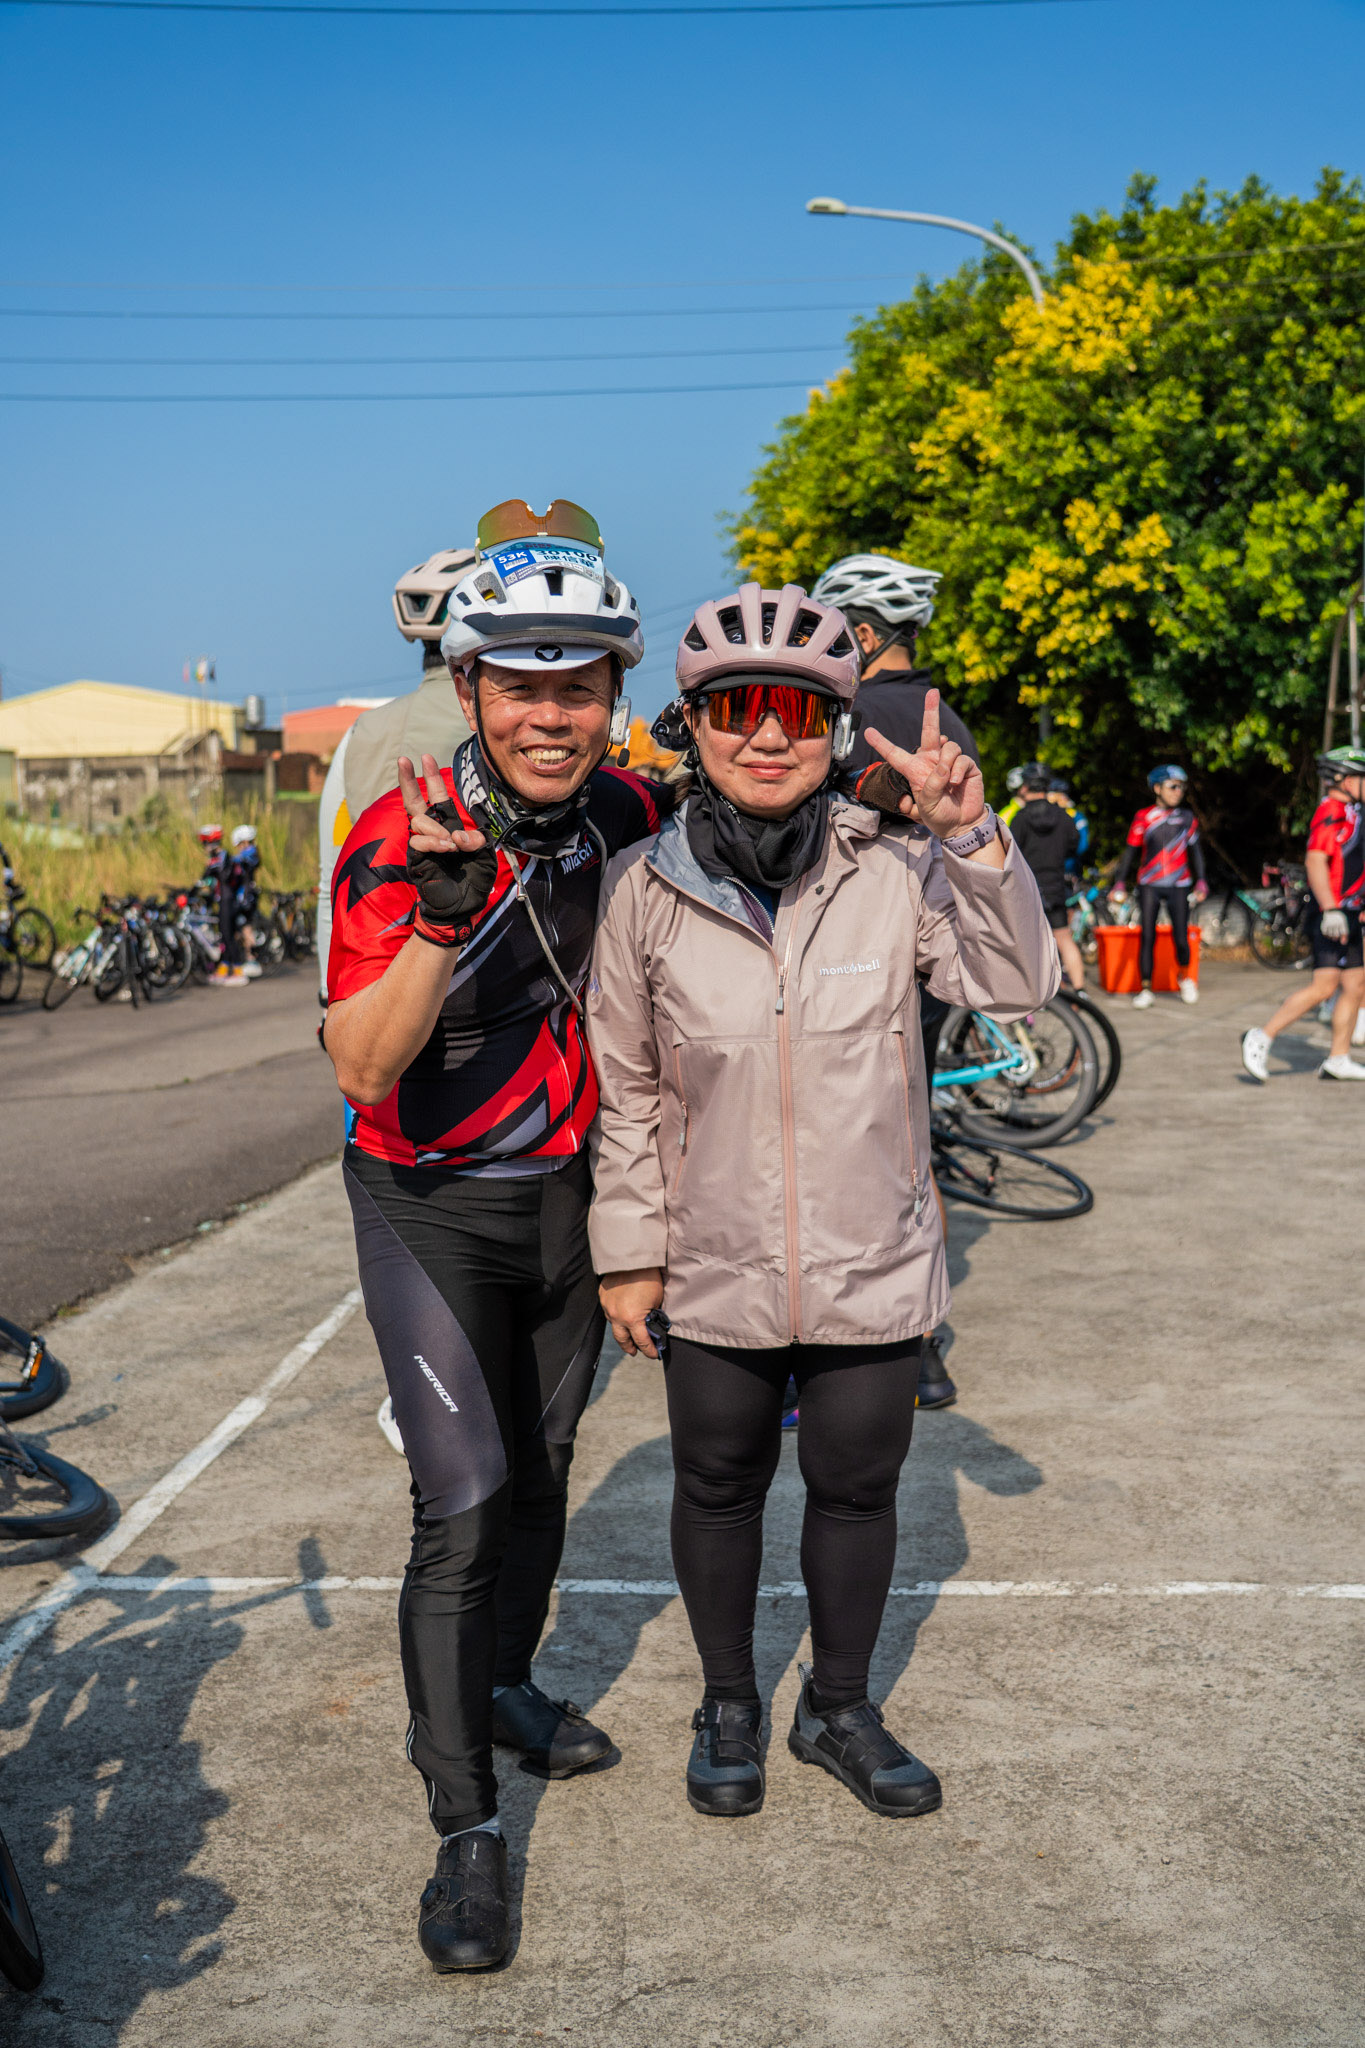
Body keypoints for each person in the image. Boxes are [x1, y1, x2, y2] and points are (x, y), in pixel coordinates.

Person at [587, 582, 1057, 1825]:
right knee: (717, 1485)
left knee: (858, 1487)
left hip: (871, 1258)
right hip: (714, 1262)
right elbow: (625, 1092)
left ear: (837, 728)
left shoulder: (898, 868)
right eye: (735, 707)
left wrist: (973, 833)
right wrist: (628, 1251)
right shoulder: (640, 889)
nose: (765, 733)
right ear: (690, 726)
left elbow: (1019, 986)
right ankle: (729, 1702)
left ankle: (839, 1706)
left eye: (795, 710)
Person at [321, 498, 668, 1973]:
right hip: (429, 1199)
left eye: (578, 684)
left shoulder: (629, 812)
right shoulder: (401, 831)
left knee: (541, 1474)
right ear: (468, 686)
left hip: (567, 1195)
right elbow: (360, 1067)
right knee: (461, 1503)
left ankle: (508, 1686)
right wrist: (433, 923)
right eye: (520, 684)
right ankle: (464, 1826)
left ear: (613, 695)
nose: (550, 713)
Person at [810, 551, 974, 1411]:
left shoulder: (852, 713)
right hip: (934, 950)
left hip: (853, 950)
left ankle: (844, 1345)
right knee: (908, 1141)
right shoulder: (949, 718)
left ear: (866, 633)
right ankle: (922, 1346)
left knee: (833, 1147)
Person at [317, 545, 478, 999]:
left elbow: (332, 881)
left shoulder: (361, 731)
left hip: (373, 980)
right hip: (472, 973)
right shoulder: (501, 727)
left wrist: (330, 1001)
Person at [1241, 746, 1365, 1083]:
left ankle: (1338, 1058)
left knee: (1355, 984)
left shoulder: (1354, 813)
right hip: (1331, 913)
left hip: (1350, 911)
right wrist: (1331, 909)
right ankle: (1261, 1036)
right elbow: (1315, 861)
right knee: (1324, 987)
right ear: (1346, 780)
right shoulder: (1331, 811)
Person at [1110, 765, 1208, 1008]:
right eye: (1172, 786)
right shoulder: (1144, 817)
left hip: (1179, 884)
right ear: (1157, 788)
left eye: (1181, 787)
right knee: (1147, 936)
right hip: (1149, 885)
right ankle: (1146, 988)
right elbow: (1130, 852)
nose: (1178, 791)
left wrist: (1202, 880)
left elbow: (1196, 852)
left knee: (1181, 937)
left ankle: (1186, 978)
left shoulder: (1187, 817)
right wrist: (1119, 882)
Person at [1007, 765, 1085, 991]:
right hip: (1056, 885)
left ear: (1024, 787)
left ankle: (1041, 992)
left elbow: (1010, 852)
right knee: (1064, 937)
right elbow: (1075, 846)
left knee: (1029, 943)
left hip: (1027, 887)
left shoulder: (1020, 818)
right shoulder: (1063, 816)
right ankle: (1080, 991)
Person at [198, 824, 246, 988]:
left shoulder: (223, 857)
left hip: (228, 900)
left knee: (228, 935)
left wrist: (212, 867)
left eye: (205, 843)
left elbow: (222, 877)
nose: (204, 847)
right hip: (222, 900)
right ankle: (224, 967)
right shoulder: (217, 858)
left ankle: (238, 970)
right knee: (224, 936)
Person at [228, 823, 262, 979]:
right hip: (244, 896)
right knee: (241, 928)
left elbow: (236, 861)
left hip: (246, 897)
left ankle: (252, 958)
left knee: (245, 927)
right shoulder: (249, 853)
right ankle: (246, 957)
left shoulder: (250, 853)